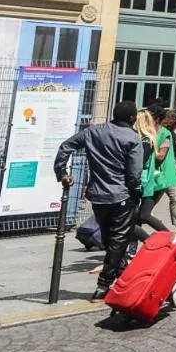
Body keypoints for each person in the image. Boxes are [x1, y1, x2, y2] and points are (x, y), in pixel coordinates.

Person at [54, 101, 143, 301]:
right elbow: (134, 175)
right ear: (132, 118)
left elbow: (65, 146)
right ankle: (104, 284)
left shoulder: (93, 132)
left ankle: (122, 277)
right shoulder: (132, 138)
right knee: (118, 241)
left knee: (109, 239)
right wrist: (136, 193)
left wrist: (62, 172)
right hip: (121, 195)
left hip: (98, 196)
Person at [131, 109, 171, 243]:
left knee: (143, 215)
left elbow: (140, 162)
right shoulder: (145, 139)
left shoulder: (146, 141)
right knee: (138, 216)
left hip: (146, 182)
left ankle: (167, 238)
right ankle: (135, 247)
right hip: (146, 182)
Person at [153, 108, 176, 233]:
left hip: (162, 172)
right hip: (167, 172)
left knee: (151, 202)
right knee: (175, 200)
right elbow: (161, 155)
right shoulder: (166, 133)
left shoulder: (163, 133)